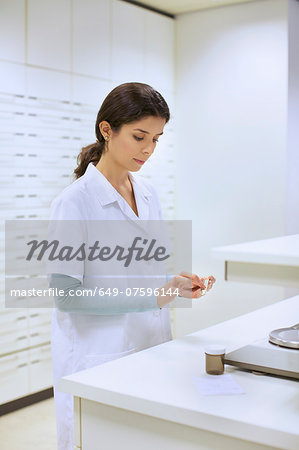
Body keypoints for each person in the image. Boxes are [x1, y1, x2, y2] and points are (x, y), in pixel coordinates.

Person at [48, 82, 216, 450]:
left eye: (156, 139)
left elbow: (145, 273)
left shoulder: (148, 193)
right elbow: (67, 297)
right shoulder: (74, 203)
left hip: (151, 347)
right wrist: (153, 296)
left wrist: (175, 284)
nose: (149, 149)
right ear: (107, 130)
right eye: (140, 136)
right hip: (99, 357)